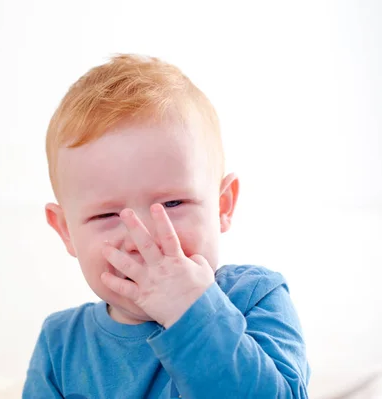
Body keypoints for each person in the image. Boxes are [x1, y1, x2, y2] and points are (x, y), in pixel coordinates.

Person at [23, 54, 310, 398]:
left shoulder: (255, 298)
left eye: (172, 204)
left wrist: (192, 313)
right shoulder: (61, 345)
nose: (143, 237)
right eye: (106, 216)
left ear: (222, 205)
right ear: (66, 231)